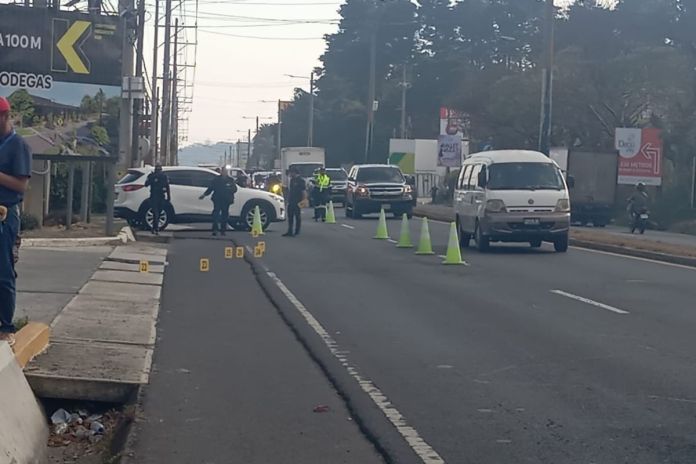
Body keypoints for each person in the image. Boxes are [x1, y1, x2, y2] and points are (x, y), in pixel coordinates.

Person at [0, 97, 32, 347]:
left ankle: (6, 327)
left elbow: (21, 185)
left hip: (5, 213)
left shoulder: (17, 145)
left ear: (4, 116)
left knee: (4, 271)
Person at [200, 167, 237, 236]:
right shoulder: (216, 179)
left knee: (224, 215)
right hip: (217, 199)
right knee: (216, 214)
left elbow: (235, 189)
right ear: (221, 172)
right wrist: (204, 195)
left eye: (226, 171)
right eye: (223, 171)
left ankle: (223, 230)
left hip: (226, 200)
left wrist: (229, 188)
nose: (225, 173)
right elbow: (211, 188)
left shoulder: (230, 180)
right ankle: (215, 229)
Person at [144, 164, 170, 235]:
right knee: (158, 211)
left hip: (154, 196)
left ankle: (155, 228)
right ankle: (156, 228)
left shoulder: (152, 176)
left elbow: (146, 184)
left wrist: (149, 178)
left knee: (156, 212)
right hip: (161, 196)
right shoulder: (164, 176)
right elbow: (167, 187)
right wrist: (168, 197)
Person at [283, 167, 306, 237]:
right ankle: (290, 231)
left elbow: (303, 191)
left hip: (297, 201)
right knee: (290, 216)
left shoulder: (301, 180)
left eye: (291, 172)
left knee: (297, 216)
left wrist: (304, 200)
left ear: (294, 172)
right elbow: (290, 191)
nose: (290, 174)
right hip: (291, 200)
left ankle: (297, 231)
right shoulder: (292, 180)